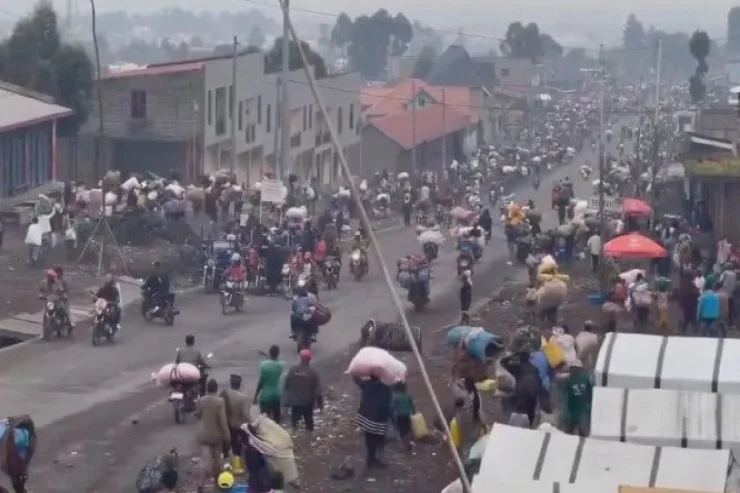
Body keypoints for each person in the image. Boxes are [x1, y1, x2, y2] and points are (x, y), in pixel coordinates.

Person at [195, 378, 230, 493]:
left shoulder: (201, 400)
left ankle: (200, 486)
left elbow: (198, 415)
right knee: (217, 460)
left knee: (204, 461)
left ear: (207, 389)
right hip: (216, 436)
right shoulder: (220, 401)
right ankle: (217, 483)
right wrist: (227, 437)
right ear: (216, 389)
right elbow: (223, 422)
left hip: (203, 434)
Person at [355, 375, 392, 468]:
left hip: (367, 416)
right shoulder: (385, 389)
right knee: (377, 439)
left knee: (369, 439)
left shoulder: (366, 384)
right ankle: (374, 459)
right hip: (378, 418)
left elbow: (358, 381)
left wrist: (355, 374)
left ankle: (371, 458)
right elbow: (387, 404)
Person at [283, 349, 323, 432]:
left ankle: (295, 439)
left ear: (301, 358)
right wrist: (320, 405)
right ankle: (308, 440)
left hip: (296, 402)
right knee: (309, 423)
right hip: (308, 402)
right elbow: (318, 391)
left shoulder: (293, 370)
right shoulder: (313, 372)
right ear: (309, 359)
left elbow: (286, 384)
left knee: (294, 424)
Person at [253, 345, 285, 423]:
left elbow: (261, 382)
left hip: (265, 397)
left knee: (264, 421)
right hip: (276, 397)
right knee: (277, 421)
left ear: (270, 353)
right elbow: (275, 362)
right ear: (278, 353)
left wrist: (255, 396)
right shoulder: (282, 365)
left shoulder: (264, 365)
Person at [221, 374, 249, 460]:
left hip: (225, 424)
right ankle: (237, 463)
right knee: (236, 448)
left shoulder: (223, 394)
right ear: (239, 384)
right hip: (236, 426)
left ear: (230, 383)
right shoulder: (243, 397)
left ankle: (224, 462)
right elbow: (245, 416)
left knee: (225, 448)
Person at [561, 360, 592, 436]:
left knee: (583, 432)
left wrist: (589, 404)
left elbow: (590, 393)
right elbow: (565, 395)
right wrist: (565, 410)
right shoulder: (568, 380)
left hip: (583, 409)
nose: (574, 370)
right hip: (571, 410)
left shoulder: (585, 379)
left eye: (575, 368)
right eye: (572, 368)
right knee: (568, 432)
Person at [391, 381, 415, 451]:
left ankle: (404, 445)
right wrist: (414, 413)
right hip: (407, 415)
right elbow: (412, 406)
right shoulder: (408, 396)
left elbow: (393, 407)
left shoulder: (396, 397)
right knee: (407, 429)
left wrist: (390, 413)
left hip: (400, 416)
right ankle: (409, 442)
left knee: (401, 431)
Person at [53, 266, 74, 332]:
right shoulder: (53, 280)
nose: (59, 274)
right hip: (54, 299)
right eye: (57, 273)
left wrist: (64, 296)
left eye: (60, 272)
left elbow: (66, 290)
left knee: (66, 311)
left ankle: (70, 323)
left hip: (62, 299)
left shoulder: (64, 281)